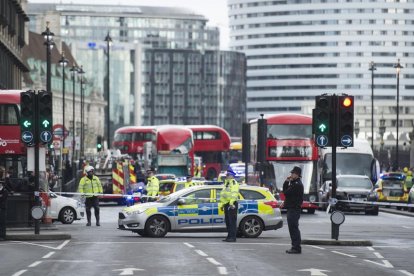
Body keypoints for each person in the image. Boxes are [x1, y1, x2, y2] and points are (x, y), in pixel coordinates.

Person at [283, 166, 304, 254]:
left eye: (293, 173)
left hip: (294, 209)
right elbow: (289, 196)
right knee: (292, 228)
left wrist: (286, 181)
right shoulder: (294, 183)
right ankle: (295, 246)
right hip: (292, 209)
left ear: (297, 174)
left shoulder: (297, 184)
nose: (291, 175)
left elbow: (286, 192)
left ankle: (296, 247)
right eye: (291, 173)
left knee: (294, 228)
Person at [220, 168, 240, 242]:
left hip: (232, 204)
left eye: (228, 175)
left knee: (232, 222)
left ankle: (232, 237)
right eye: (226, 175)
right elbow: (224, 195)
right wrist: (222, 205)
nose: (226, 176)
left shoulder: (234, 183)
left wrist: (231, 203)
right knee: (228, 222)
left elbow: (234, 194)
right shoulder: (227, 183)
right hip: (226, 204)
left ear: (232, 175)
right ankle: (229, 236)